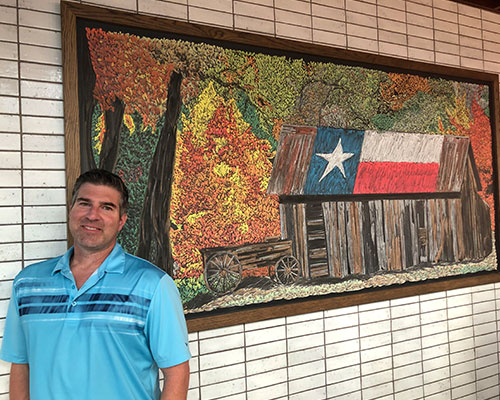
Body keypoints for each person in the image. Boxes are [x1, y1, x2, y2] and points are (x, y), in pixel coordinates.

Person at [0, 169, 191, 400]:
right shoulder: (28, 284)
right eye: (84, 203)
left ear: (121, 221)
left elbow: (176, 372)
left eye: (107, 207)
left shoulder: (153, 285)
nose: (92, 215)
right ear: (71, 211)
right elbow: (21, 364)